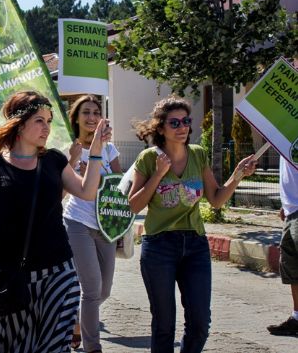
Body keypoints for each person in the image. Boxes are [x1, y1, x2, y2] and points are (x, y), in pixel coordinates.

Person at [0, 91, 110, 353]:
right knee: (16, 344)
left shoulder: (54, 160)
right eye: (40, 120)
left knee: (54, 344)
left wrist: (95, 151)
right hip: (13, 273)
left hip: (58, 270)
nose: (47, 127)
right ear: (19, 123)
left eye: (49, 121)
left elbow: (86, 190)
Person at [129, 97, 257, 353]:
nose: (182, 127)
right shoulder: (148, 158)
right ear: (161, 127)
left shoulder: (198, 154)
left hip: (195, 246)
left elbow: (216, 199)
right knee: (164, 325)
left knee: (200, 323)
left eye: (186, 121)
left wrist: (238, 175)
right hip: (159, 247)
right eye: (174, 122)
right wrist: (158, 174)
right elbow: (133, 205)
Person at [63, 94, 121, 352]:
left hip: (106, 225)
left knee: (104, 290)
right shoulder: (70, 147)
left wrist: (121, 225)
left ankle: (75, 321)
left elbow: (120, 185)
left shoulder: (109, 149)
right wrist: (75, 161)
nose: (91, 117)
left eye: (96, 113)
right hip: (77, 222)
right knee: (92, 289)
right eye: (85, 112)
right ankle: (92, 346)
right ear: (76, 117)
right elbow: (62, 189)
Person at [267, 156, 298, 336]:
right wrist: (285, 203)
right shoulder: (285, 133)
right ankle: (297, 317)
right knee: (291, 266)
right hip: (291, 208)